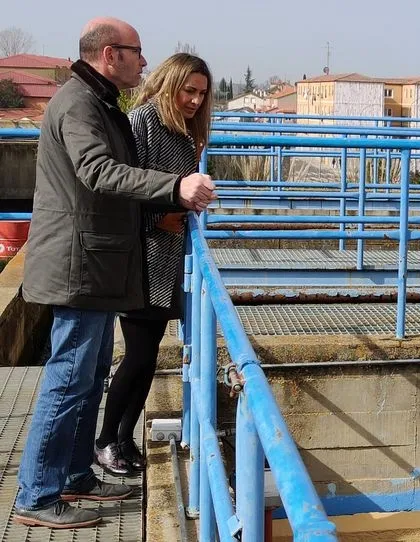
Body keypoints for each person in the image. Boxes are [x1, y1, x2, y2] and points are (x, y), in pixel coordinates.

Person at [15, 17, 215, 529]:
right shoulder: (81, 104)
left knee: (88, 377)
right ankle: (37, 495)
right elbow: (97, 172)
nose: (144, 62)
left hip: (96, 266)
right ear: (110, 54)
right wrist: (175, 190)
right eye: (136, 52)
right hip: (78, 266)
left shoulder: (100, 103)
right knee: (68, 379)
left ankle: (77, 473)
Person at [94, 53, 212, 476]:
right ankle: (106, 440)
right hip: (141, 256)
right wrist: (157, 218)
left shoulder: (186, 133)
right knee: (138, 355)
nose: (196, 100)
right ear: (170, 84)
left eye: (201, 93)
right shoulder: (143, 121)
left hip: (168, 259)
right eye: (189, 90)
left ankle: (125, 437)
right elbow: (123, 186)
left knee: (148, 357)